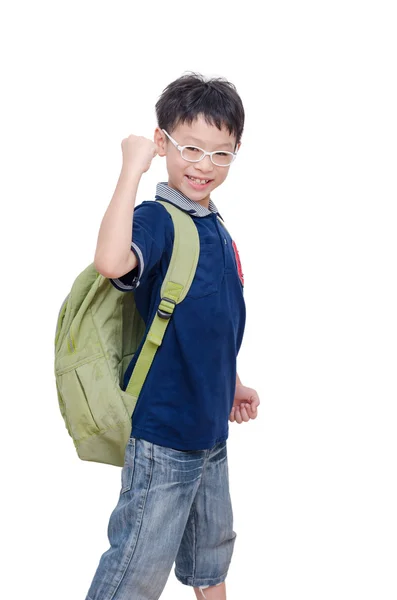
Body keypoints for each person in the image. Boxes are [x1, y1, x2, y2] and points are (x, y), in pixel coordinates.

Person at [86, 72, 260, 600]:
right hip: (164, 439)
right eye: (189, 148)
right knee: (133, 574)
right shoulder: (158, 220)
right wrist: (131, 171)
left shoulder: (215, 225)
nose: (204, 165)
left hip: (210, 435)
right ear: (162, 144)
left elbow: (214, 325)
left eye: (220, 153)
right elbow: (112, 261)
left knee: (211, 559)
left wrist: (231, 382)